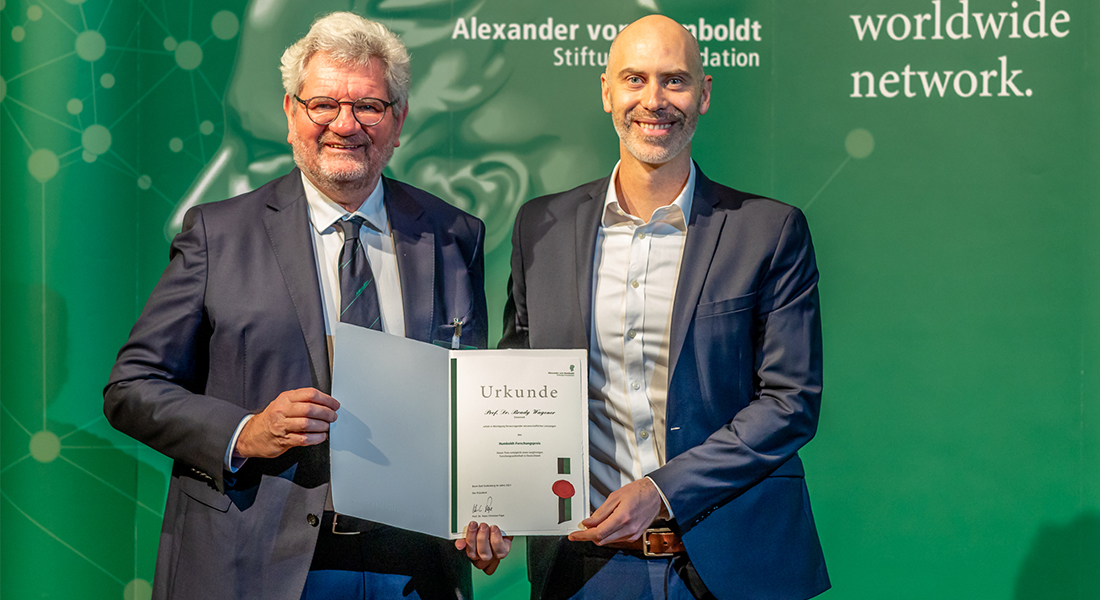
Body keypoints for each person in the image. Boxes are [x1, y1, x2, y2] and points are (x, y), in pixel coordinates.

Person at [104, 12, 507, 600]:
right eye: (324, 104)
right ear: (292, 114)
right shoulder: (219, 234)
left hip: (415, 567)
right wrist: (245, 430)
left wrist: (484, 506)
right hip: (255, 561)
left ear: (398, 121)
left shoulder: (453, 235)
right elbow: (132, 388)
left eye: (369, 106)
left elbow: (470, 396)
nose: (345, 125)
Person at [500, 14, 829, 600]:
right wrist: (492, 497)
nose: (654, 101)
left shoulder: (769, 231)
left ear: (703, 95)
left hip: (732, 568)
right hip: (584, 569)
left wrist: (662, 488)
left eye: (674, 81)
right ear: (606, 91)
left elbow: (789, 402)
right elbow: (515, 384)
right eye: (635, 79)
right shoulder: (539, 228)